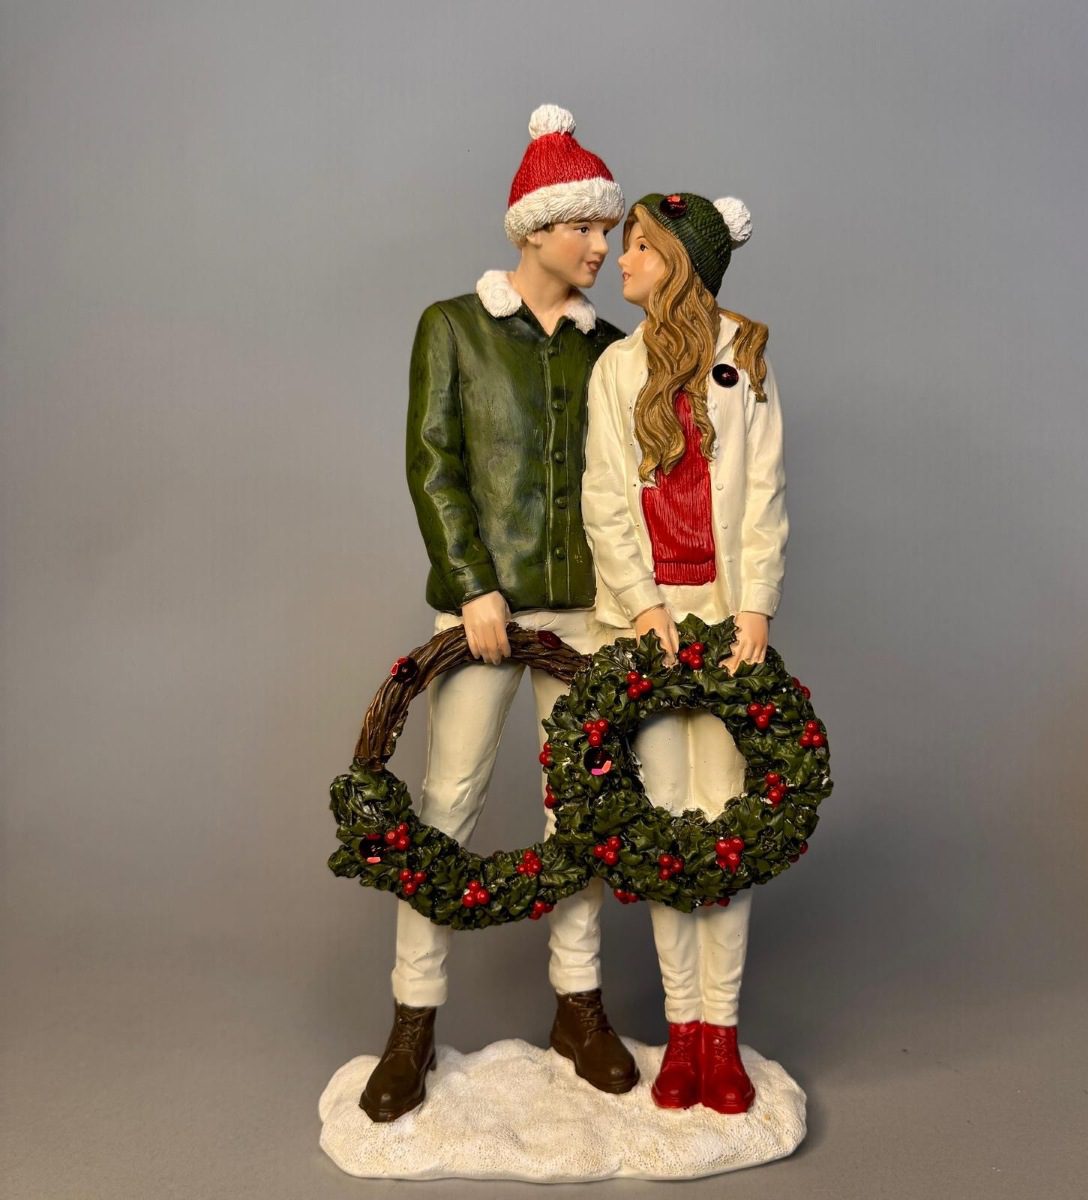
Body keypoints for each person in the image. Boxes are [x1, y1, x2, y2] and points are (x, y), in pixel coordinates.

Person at [359, 105, 639, 1122]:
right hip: (485, 614)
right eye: (587, 229)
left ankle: (579, 1007)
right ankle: (412, 1020)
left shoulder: (611, 348)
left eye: (608, 231)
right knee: (447, 805)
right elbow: (433, 462)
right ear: (537, 229)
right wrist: (473, 583)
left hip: (590, 620)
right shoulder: (454, 328)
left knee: (583, 813)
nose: (602, 247)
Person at [581, 192, 787, 1114]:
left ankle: (723, 1033)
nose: (619, 261)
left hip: (726, 619)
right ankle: (681, 1032)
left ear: (680, 261)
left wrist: (756, 607)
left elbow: (763, 490)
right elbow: (604, 497)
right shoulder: (616, 369)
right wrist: (642, 607)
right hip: (652, 625)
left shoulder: (746, 356)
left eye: (638, 247)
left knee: (727, 821)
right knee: (667, 820)